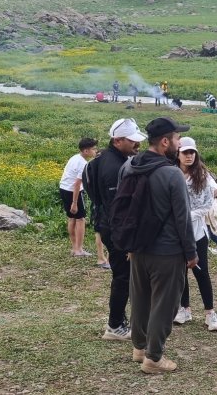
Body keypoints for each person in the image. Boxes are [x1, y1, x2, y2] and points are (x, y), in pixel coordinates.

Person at [125, 117, 197, 374]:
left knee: (140, 299)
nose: (180, 143)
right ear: (165, 142)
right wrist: (191, 252)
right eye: (177, 138)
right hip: (167, 251)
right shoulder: (172, 174)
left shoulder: (131, 166)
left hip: (137, 248)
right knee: (164, 305)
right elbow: (182, 218)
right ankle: (153, 358)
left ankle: (139, 348)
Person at [83, 118, 146, 340]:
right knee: (123, 277)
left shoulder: (105, 159)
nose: (137, 144)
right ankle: (115, 325)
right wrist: (127, 239)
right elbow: (118, 208)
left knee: (123, 275)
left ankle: (118, 320)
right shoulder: (114, 167)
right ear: (117, 140)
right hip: (116, 229)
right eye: (132, 141)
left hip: (107, 224)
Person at [174, 137, 217, 331]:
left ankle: (210, 313)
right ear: (178, 154)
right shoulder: (173, 172)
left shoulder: (201, 174)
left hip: (197, 232)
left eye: (192, 152)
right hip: (176, 232)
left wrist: (188, 214)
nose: (189, 156)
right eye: (185, 152)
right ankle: (184, 308)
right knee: (180, 272)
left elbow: (214, 194)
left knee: (201, 272)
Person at [59, 138, 97, 257]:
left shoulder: (74, 157)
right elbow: (77, 184)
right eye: (93, 149)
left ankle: (74, 247)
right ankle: (79, 250)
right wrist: (75, 202)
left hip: (64, 188)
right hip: (73, 191)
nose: (95, 151)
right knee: (80, 219)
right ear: (86, 151)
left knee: (72, 218)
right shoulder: (83, 163)